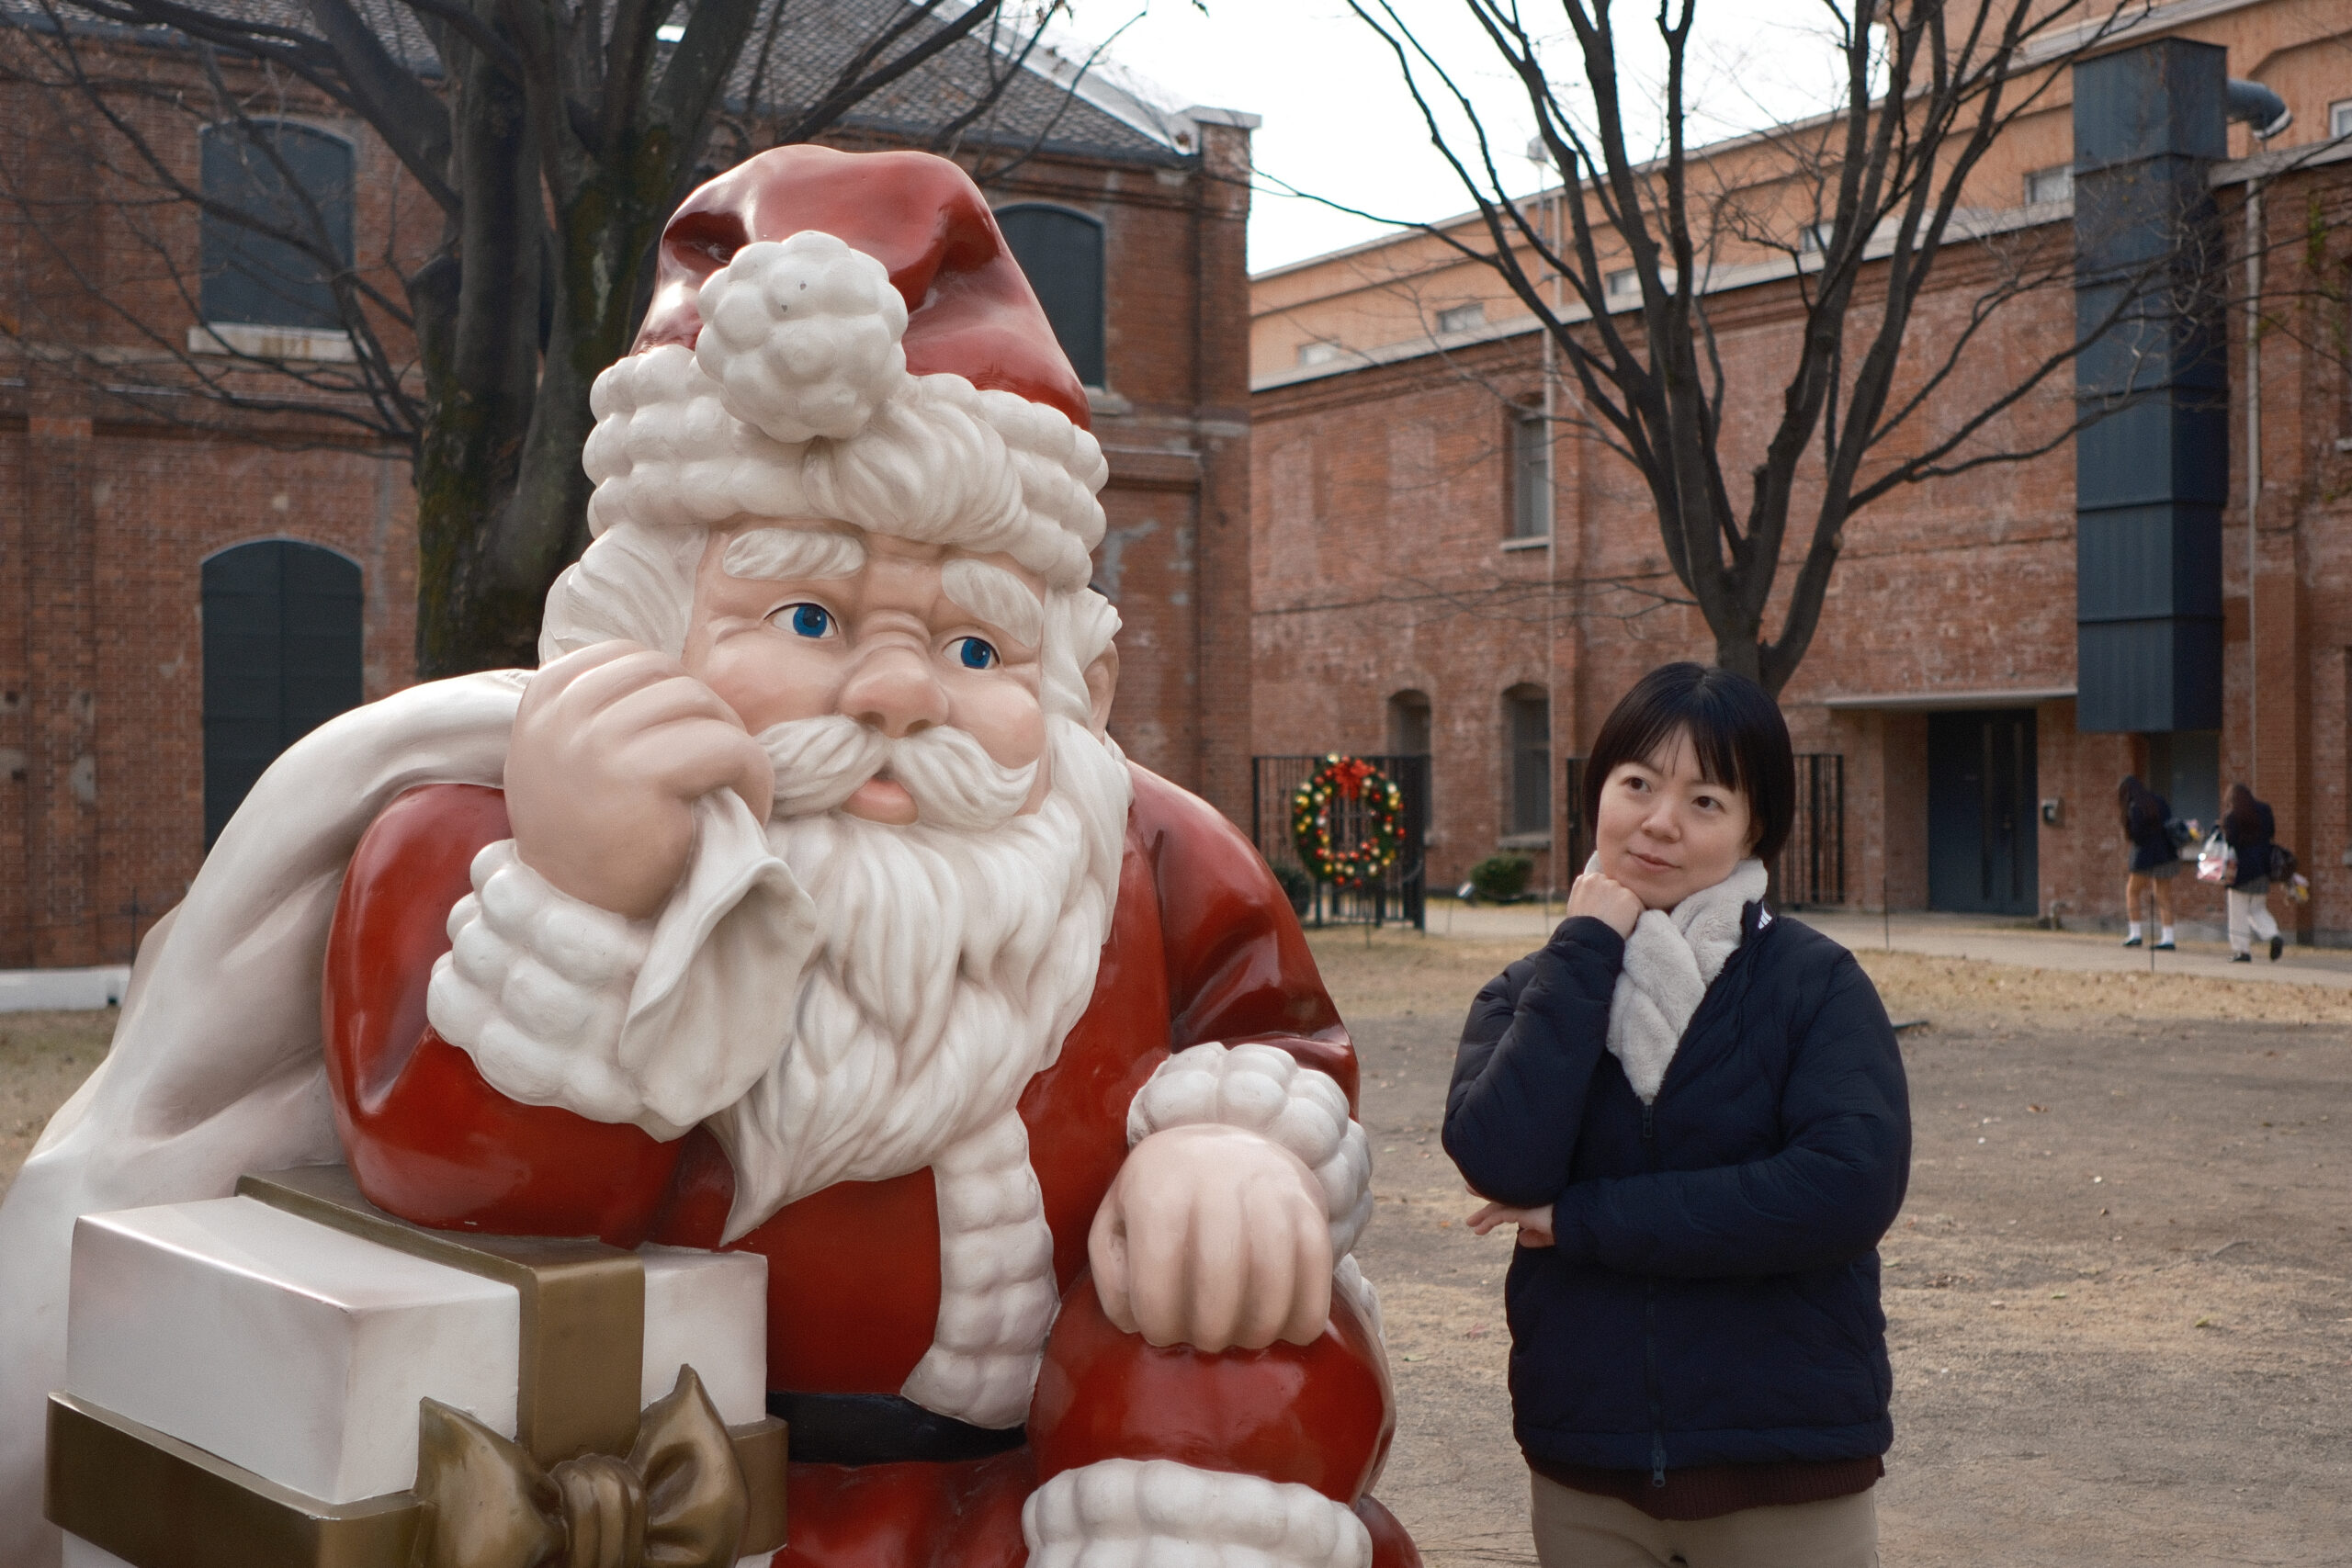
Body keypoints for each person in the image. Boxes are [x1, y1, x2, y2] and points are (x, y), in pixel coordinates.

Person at [0, 147, 1408, 1568]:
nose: (896, 693)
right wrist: (587, 901)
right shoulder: (487, 844)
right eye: (807, 615)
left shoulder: (1141, 850)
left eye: (976, 644)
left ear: (1071, 676)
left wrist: (1233, 1142)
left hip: (1053, 1504)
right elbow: (481, 1185)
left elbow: (1269, 1029)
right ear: (646, 613)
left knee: (1242, 1341)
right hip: (700, 1506)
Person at [1444, 662, 1909, 1568]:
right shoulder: (1528, 994)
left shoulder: (1812, 986)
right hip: (1588, 1472)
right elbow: (1500, 1163)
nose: (1659, 822)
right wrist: (1584, 950)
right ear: (1598, 794)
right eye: (1637, 785)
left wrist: (1583, 1220)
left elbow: (1842, 1191)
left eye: (1704, 800)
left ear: (1752, 828)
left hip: (1787, 1467)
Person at [2222, 782, 2284, 963]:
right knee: (2257, 908)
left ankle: (2242, 951)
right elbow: (2272, 833)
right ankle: (2273, 935)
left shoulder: (2232, 817)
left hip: (2240, 871)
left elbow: (2230, 842)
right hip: (2263, 867)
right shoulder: (2265, 810)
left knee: (2238, 912)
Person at [2118, 774, 2180, 950]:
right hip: (2166, 853)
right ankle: (2168, 938)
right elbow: (2170, 823)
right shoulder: (2158, 801)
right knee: (2163, 895)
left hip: (2144, 856)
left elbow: (2136, 834)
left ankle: (2135, 934)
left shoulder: (2134, 807)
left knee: (2132, 891)